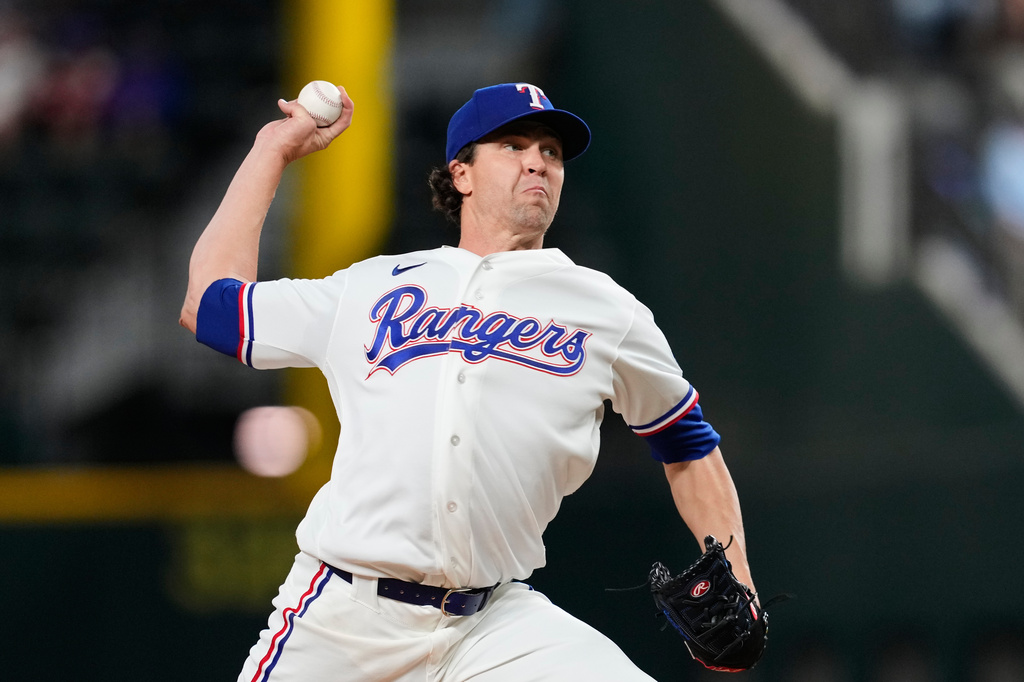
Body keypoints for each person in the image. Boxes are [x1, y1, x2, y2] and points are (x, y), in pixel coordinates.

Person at [180, 82, 757, 681]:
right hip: (344, 618)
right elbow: (209, 306)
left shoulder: (608, 311)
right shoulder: (373, 287)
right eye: (513, 145)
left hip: (492, 626)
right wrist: (271, 151)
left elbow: (688, 447)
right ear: (461, 174)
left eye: (552, 152)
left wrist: (739, 576)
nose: (538, 160)